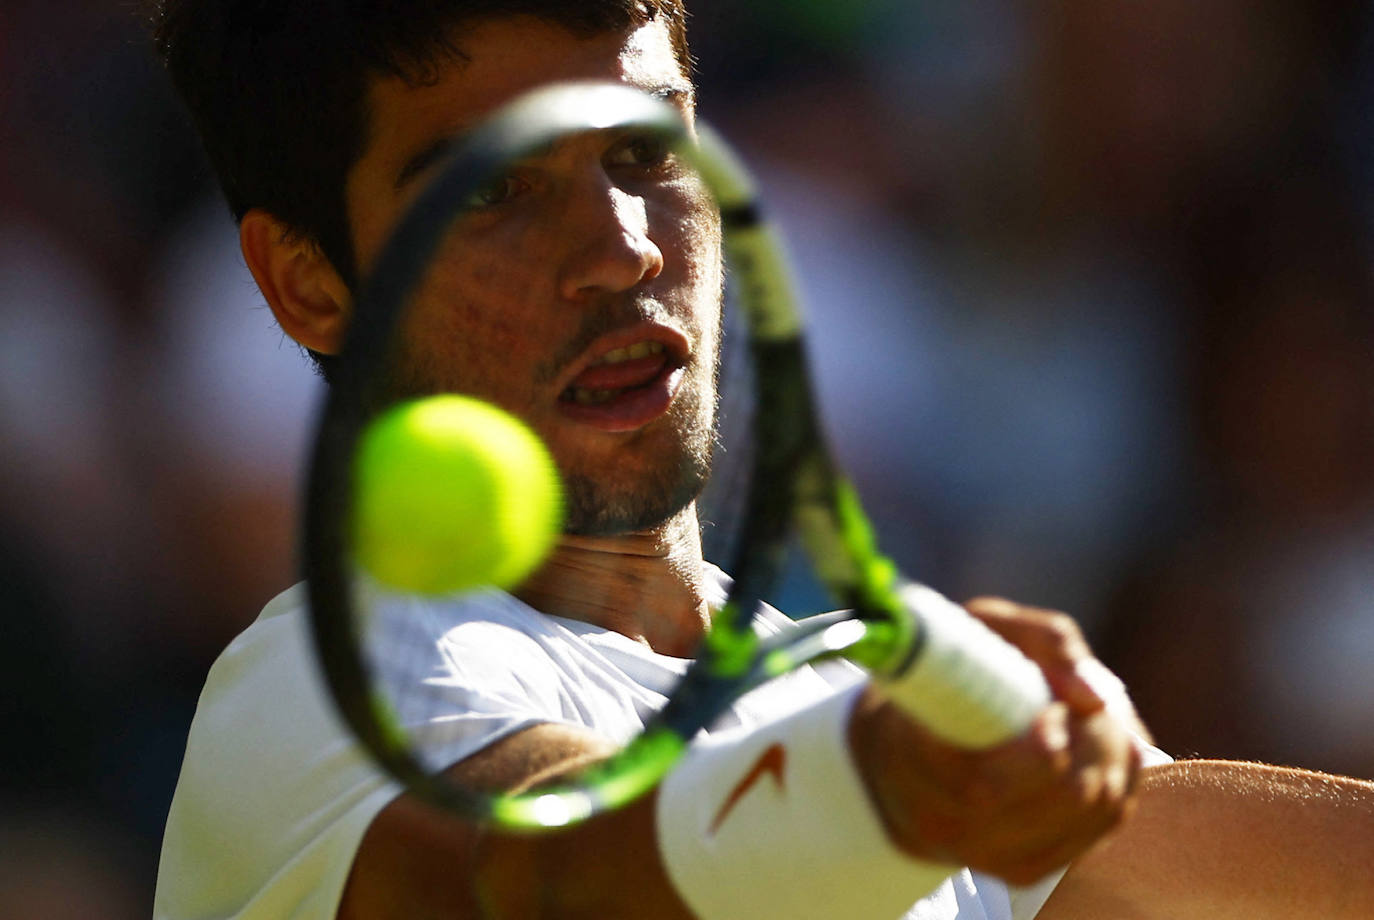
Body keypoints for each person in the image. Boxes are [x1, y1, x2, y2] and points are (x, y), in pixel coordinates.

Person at [150, 2, 1374, 918]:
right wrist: (885, 789)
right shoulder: (310, 692)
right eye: (494, 195)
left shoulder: (875, 682)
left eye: (644, 148)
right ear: (309, 281)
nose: (620, 250)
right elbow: (551, 873)